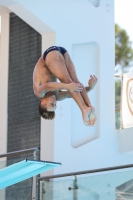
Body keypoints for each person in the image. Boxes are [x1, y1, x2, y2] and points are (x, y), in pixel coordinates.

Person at [33, 46, 97, 126]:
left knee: (68, 82)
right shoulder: (58, 96)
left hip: (49, 55)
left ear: (42, 102)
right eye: (55, 104)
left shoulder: (38, 93)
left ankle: (84, 109)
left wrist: (67, 87)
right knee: (75, 82)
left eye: (52, 104)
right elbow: (76, 91)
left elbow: (48, 86)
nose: (55, 101)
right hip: (63, 52)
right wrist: (90, 87)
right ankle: (90, 107)